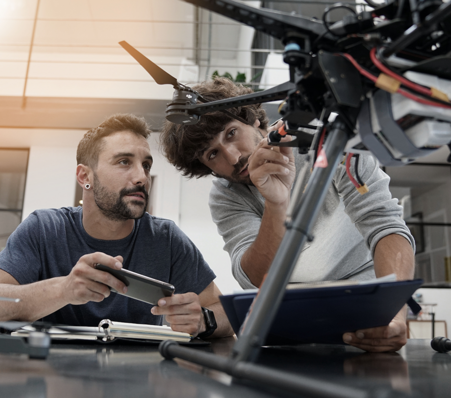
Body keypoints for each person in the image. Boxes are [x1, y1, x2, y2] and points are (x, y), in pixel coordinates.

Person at [161, 78, 415, 351]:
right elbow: (254, 278)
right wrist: (276, 202)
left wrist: (394, 313)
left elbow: (386, 225)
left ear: (254, 120)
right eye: (213, 154)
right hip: (293, 307)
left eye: (231, 133)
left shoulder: (328, 140)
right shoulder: (226, 195)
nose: (233, 157)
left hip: (365, 296)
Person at [0, 113, 233, 339]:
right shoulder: (44, 229)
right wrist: (63, 289)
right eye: (124, 162)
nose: (142, 177)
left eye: (146, 165)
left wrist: (203, 320)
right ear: (85, 176)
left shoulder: (166, 238)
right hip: (52, 377)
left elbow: (226, 316)